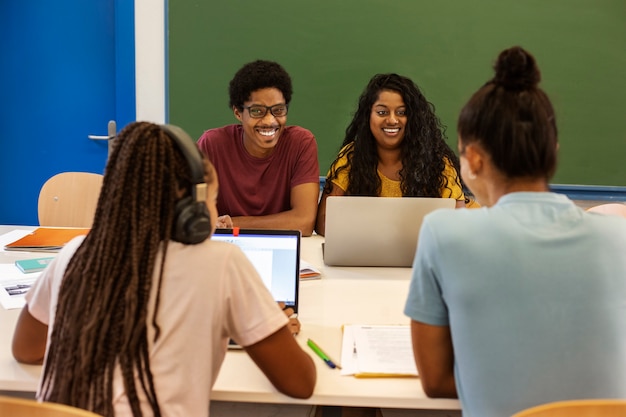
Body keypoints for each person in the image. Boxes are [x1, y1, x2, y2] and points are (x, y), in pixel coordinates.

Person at [12, 122, 316, 416]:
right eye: (212, 200)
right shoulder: (222, 262)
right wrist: (270, 320)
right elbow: (300, 384)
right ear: (192, 211)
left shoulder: (77, 252)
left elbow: (25, 349)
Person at [404, 46, 626, 417]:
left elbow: (436, 380)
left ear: (473, 159)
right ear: (552, 151)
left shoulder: (444, 233)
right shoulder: (619, 239)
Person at [316, 73, 476, 236]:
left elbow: (458, 227)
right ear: (368, 116)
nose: (392, 120)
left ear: (414, 119)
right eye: (382, 112)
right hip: (368, 255)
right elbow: (323, 224)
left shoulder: (437, 162)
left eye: (401, 113)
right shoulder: (351, 157)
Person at [197, 60, 320, 236]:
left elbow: (304, 222)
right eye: (257, 111)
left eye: (278, 110)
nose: (270, 121)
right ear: (238, 113)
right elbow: (193, 216)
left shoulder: (301, 143)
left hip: (281, 247)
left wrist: (232, 224)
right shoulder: (212, 145)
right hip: (226, 247)